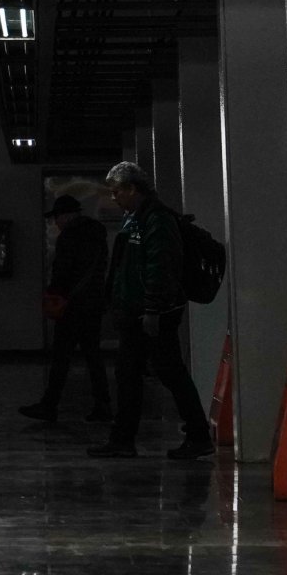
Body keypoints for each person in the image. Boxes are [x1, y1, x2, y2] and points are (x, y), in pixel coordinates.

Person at [87, 161, 215, 460]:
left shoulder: (157, 220)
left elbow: (161, 266)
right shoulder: (137, 219)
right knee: (131, 375)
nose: (114, 197)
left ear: (133, 189)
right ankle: (124, 439)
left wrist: (153, 310)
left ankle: (197, 436)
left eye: (117, 191)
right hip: (139, 313)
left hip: (152, 314)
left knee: (167, 372)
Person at [19, 194, 112, 423]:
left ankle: (49, 406)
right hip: (93, 304)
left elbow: (63, 271)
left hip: (72, 306)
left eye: (57, 218)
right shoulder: (98, 233)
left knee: (61, 357)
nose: (55, 223)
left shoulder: (69, 236)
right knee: (93, 357)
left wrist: (54, 293)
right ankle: (103, 405)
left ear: (67, 215)